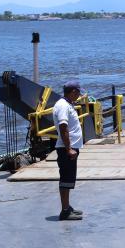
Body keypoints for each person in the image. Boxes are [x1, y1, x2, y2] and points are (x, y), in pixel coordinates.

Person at [53, 81, 84, 221]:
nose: (79, 95)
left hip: (70, 148)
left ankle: (67, 206)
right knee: (65, 179)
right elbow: (63, 127)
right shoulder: (63, 106)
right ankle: (64, 211)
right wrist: (69, 149)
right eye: (78, 92)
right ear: (73, 92)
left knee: (69, 179)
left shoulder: (67, 104)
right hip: (66, 149)